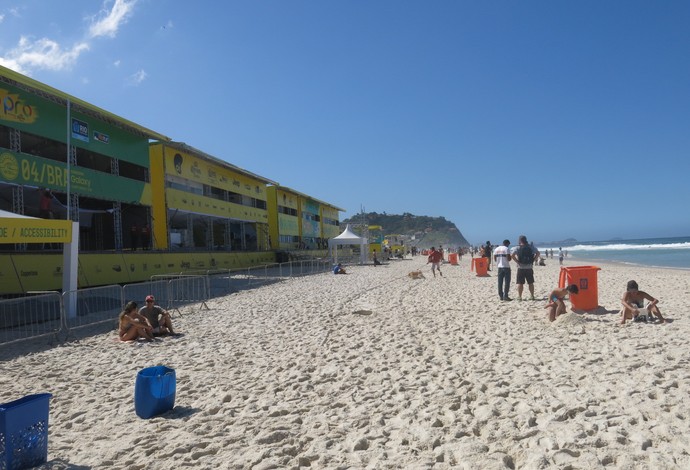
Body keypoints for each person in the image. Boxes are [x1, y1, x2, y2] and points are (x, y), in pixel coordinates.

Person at [511, 235, 539, 300]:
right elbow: (538, 253)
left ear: (520, 240)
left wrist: (517, 262)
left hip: (521, 268)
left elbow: (512, 255)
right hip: (529, 267)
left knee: (520, 283)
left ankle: (520, 297)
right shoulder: (531, 247)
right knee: (530, 283)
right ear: (526, 239)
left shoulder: (517, 247)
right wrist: (533, 260)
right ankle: (532, 296)